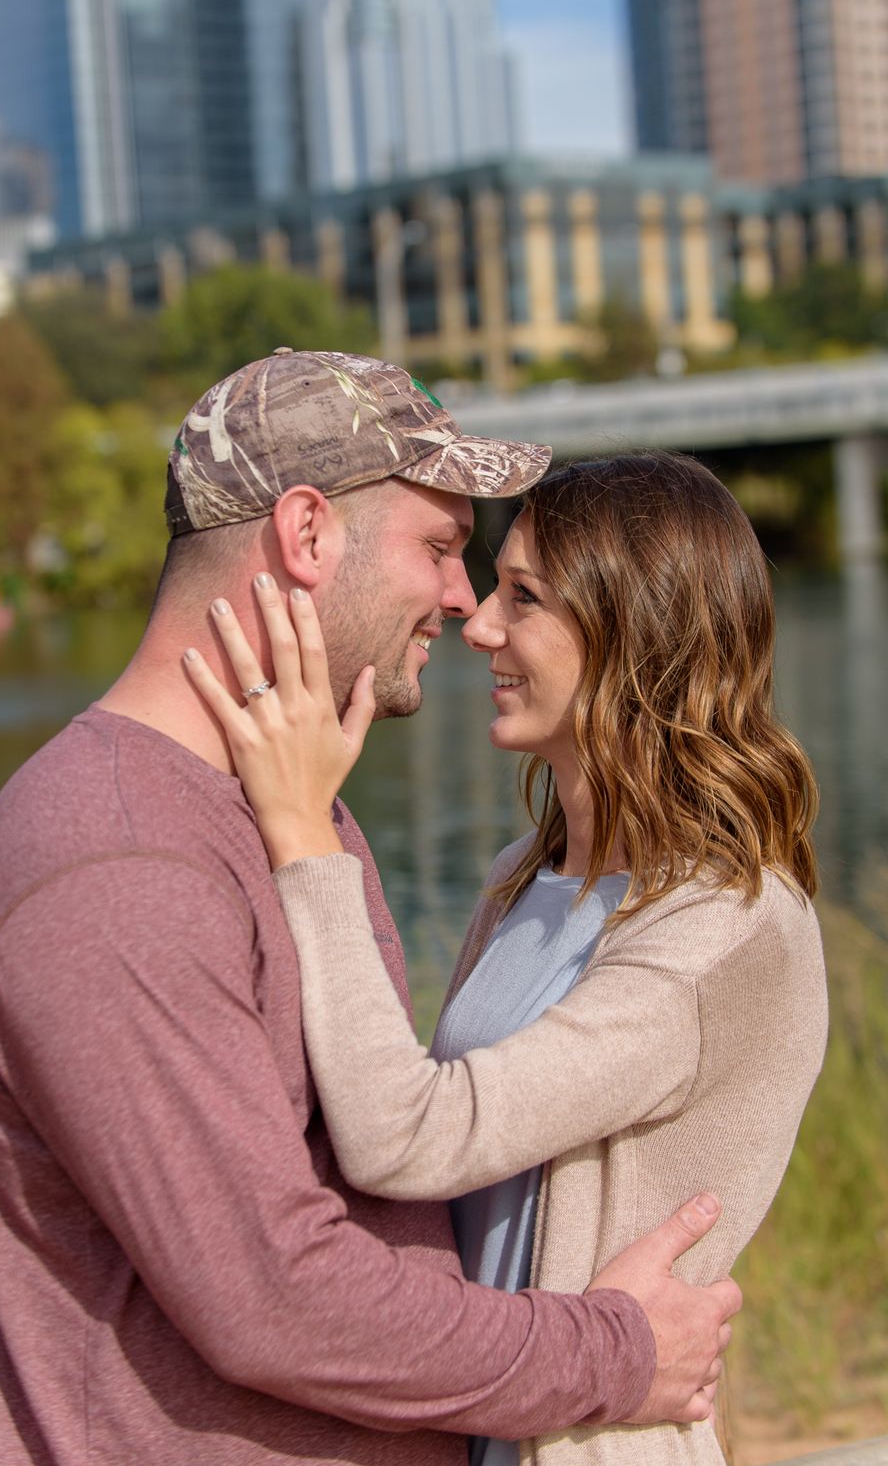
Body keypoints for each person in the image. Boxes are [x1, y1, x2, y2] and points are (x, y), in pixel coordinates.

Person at [0, 351, 739, 1466]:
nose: (463, 602)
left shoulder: (291, 807)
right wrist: (613, 1356)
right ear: (306, 535)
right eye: (443, 549)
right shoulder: (112, 865)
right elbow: (272, 1292)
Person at [181, 448, 827, 1466]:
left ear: (633, 630)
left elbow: (410, 1137)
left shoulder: (724, 928)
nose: (476, 622)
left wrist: (305, 831)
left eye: (522, 597)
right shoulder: (523, 877)